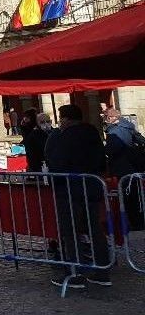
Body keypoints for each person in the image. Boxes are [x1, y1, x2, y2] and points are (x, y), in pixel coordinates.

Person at [44, 104, 111, 288]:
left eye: (61, 118)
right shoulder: (93, 133)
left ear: (65, 118)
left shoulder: (63, 137)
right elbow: (101, 161)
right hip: (91, 187)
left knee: (71, 231)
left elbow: (56, 162)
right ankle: (102, 271)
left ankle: (75, 273)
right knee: (94, 229)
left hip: (70, 190)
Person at [103, 107, 145, 178]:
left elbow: (111, 149)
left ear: (111, 118)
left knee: (124, 186)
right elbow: (141, 140)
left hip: (121, 166)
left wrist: (104, 149)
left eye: (106, 118)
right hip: (134, 163)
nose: (105, 121)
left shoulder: (113, 131)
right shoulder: (128, 126)